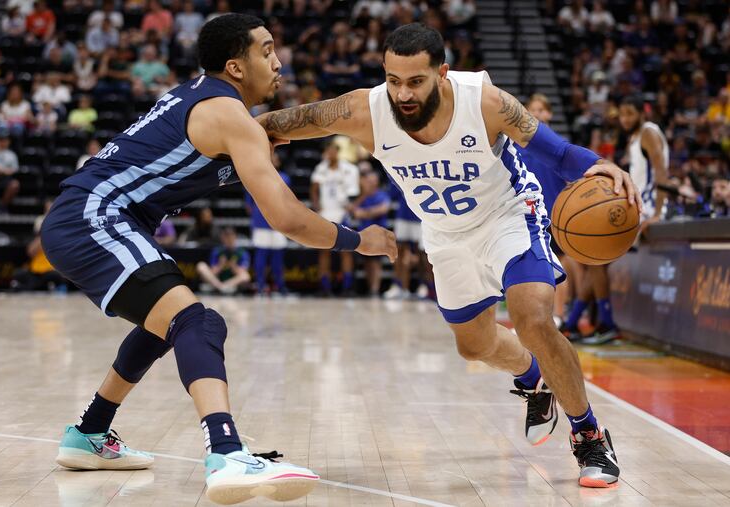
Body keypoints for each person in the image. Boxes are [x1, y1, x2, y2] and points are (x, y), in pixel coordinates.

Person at [259, 23, 642, 488]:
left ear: (442, 73)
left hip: (509, 214)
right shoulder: (365, 110)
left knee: (533, 318)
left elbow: (557, 153)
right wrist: (230, 134)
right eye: (393, 80)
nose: (402, 93)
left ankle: (589, 435)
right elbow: (284, 123)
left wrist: (602, 166)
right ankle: (533, 377)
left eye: (415, 81)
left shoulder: (484, 102)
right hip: (444, 233)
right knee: (474, 346)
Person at [39, 14, 395, 505]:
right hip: (95, 216)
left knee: (163, 325)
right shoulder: (227, 115)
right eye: (267, 50)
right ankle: (226, 452)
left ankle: (89, 433)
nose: (278, 61)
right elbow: (288, 219)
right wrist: (361, 242)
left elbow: (273, 127)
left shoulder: (212, 103)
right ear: (235, 65)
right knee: (196, 322)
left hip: (86, 216)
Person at [567, 96, 669, 345]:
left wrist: (657, 212)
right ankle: (572, 324)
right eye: (621, 114)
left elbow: (661, 172)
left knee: (595, 259)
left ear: (641, 113)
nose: (625, 119)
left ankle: (606, 324)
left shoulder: (648, 132)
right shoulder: (635, 137)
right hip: (637, 205)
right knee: (594, 259)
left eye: (629, 114)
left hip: (645, 208)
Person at [519, 94, 583, 329]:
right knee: (527, 268)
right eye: (532, 109)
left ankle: (558, 315)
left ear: (550, 114)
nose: (537, 113)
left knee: (559, 267)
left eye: (541, 109)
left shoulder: (560, 146)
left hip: (556, 215)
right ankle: (532, 318)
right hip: (525, 215)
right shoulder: (515, 146)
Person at [310, 139, 360, 296]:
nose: (330, 153)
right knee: (324, 251)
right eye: (328, 150)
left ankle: (347, 286)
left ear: (337, 151)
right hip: (326, 213)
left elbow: (355, 192)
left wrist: (352, 205)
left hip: (342, 213)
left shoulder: (349, 169)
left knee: (346, 251)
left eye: (333, 150)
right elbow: (314, 188)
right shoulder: (320, 168)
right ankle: (324, 287)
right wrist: (316, 204)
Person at [245, 151, 290, 295]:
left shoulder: (284, 178)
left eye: (275, 158)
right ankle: (260, 285)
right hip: (261, 221)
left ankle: (280, 286)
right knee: (261, 255)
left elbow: (287, 200)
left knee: (278, 257)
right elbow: (249, 203)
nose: (272, 159)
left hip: (279, 221)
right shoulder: (255, 175)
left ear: (278, 162)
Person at [349, 166, 390, 296]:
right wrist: (363, 196)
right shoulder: (363, 197)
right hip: (364, 234)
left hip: (378, 234)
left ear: (377, 181)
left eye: (372, 180)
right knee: (366, 262)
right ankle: (369, 288)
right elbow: (353, 210)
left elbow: (383, 209)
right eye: (368, 180)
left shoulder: (382, 195)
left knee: (375, 262)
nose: (370, 183)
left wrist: (365, 213)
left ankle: (375, 289)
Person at [196, 227, 251, 295]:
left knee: (246, 276)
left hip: (232, 282)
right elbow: (212, 273)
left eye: (231, 236)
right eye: (226, 237)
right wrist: (220, 265)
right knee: (201, 265)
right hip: (218, 280)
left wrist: (233, 266)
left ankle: (223, 287)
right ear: (223, 238)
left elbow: (243, 272)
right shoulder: (217, 251)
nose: (229, 239)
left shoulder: (242, 252)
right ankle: (220, 287)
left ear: (235, 237)